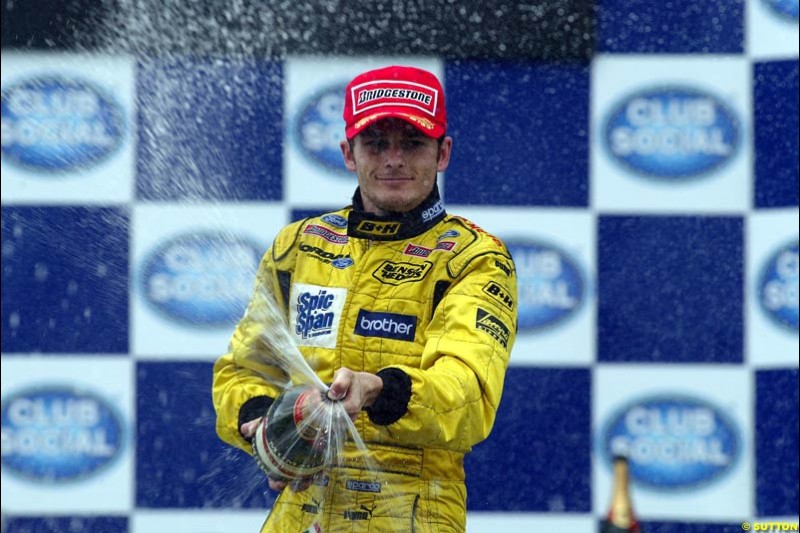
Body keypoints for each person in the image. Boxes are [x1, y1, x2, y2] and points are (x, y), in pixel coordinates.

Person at [212, 65, 518, 532]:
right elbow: (244, 371)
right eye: (376, 143)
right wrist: (259, 423)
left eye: (412, 143)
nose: (394, 159)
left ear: (443, 153)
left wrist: (378, 390)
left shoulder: (474, 258)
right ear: (348, 153)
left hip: (413, 515)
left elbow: (468, 396)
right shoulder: (300, 246)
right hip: (301, 515)